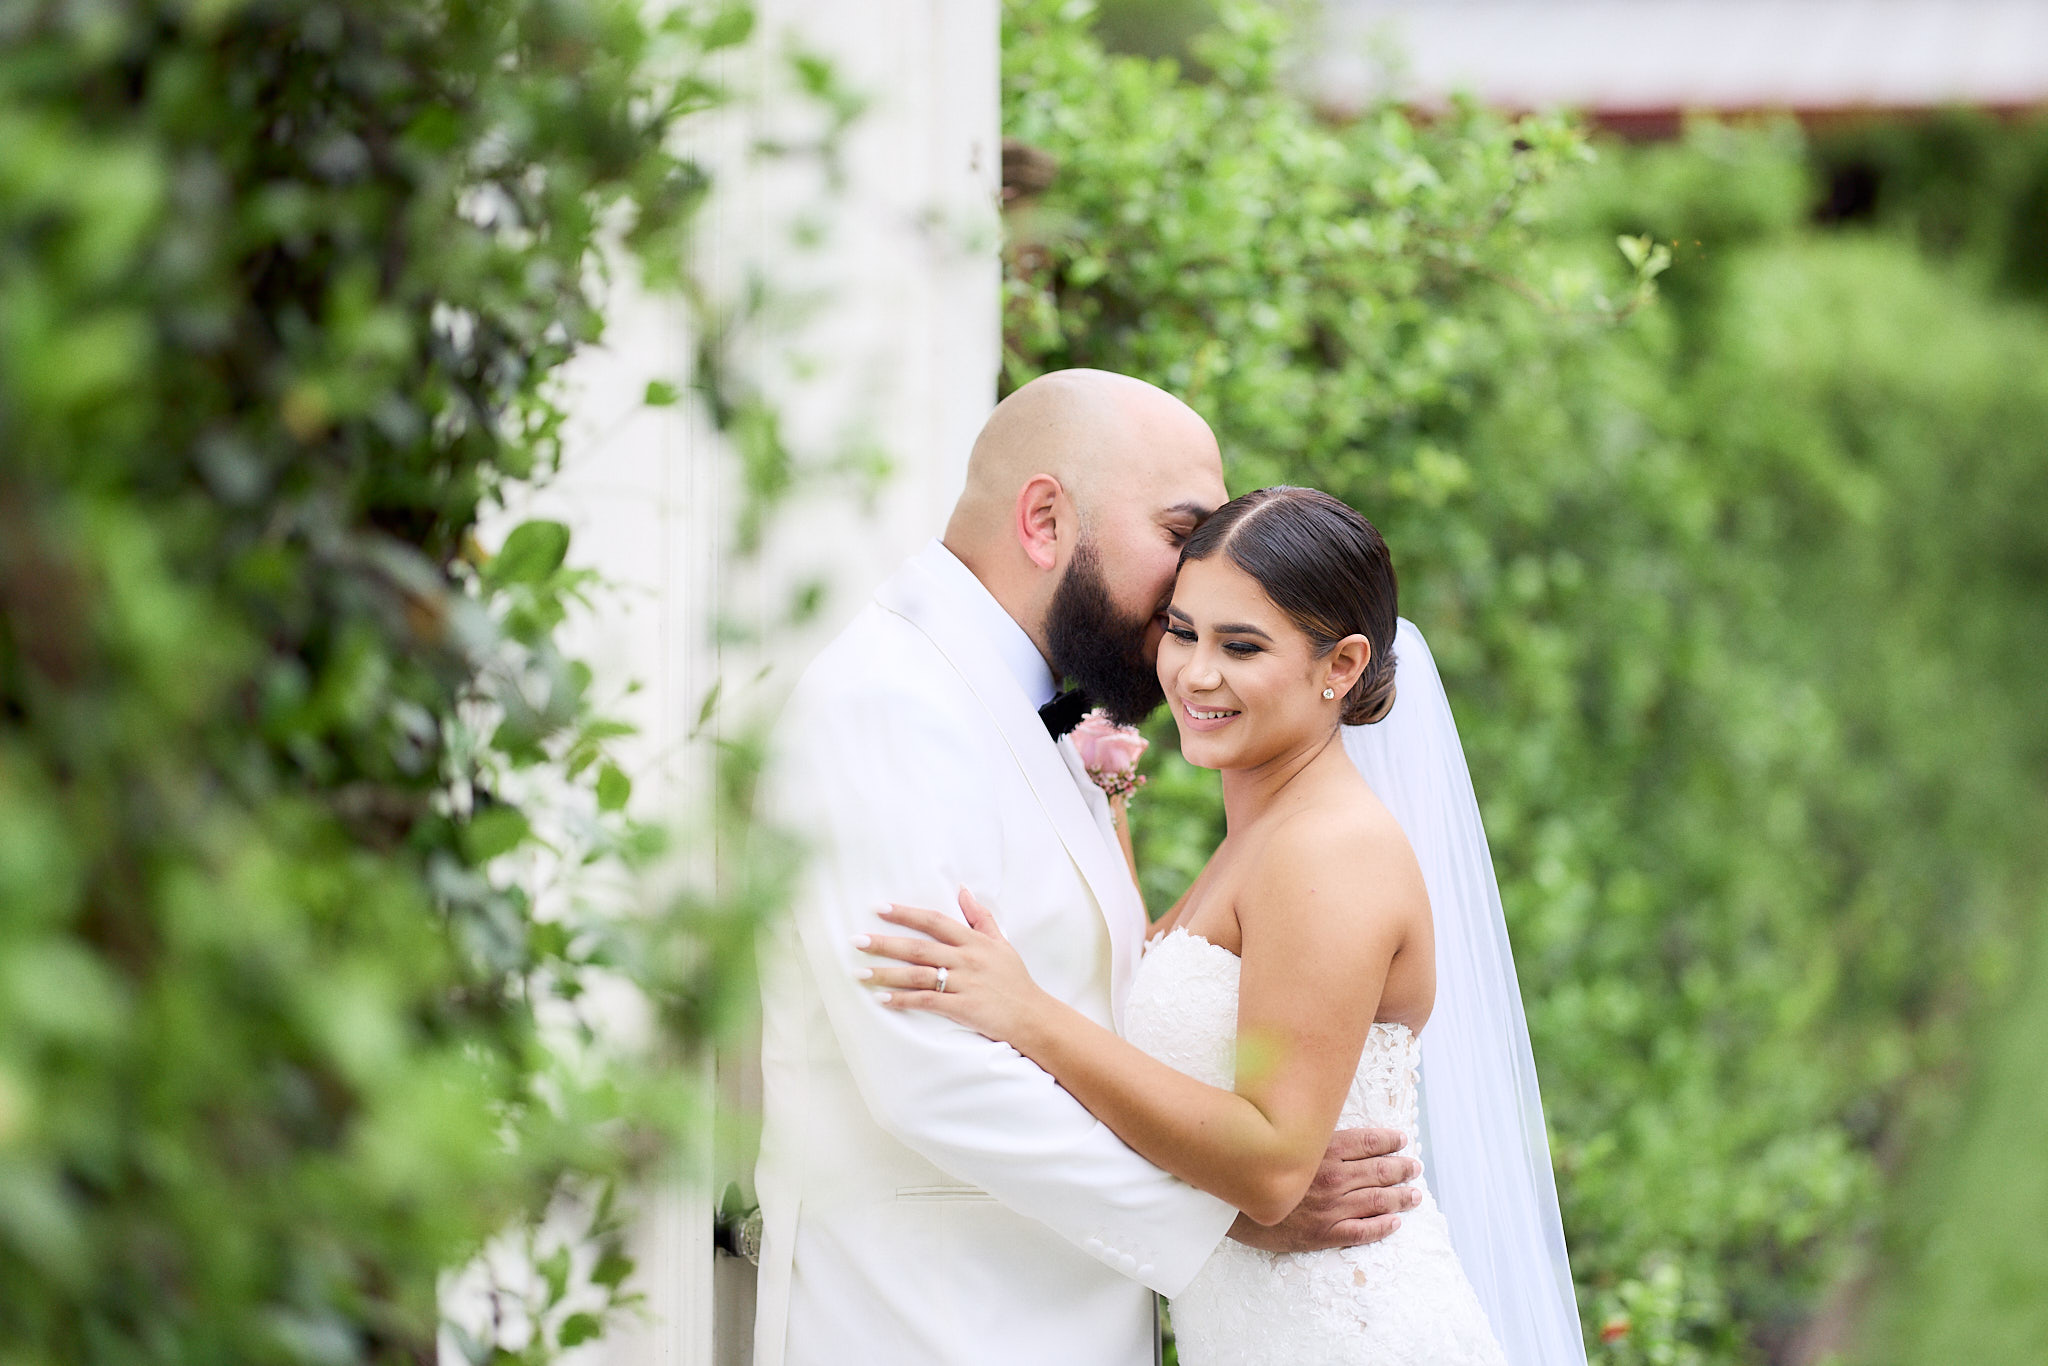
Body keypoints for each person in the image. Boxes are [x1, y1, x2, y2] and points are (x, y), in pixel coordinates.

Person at [752, 375, 1420, 1366]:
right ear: (1044, 519)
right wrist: (1221, 1213)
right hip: (929, 1326)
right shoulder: (884, 702)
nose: (1198, 579)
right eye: (1180, 532)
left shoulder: (1037, 704)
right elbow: (929, 1076)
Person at [859, 487, 1568, 1364]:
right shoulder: (1264, 835)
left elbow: (1272, 1164)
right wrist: (1098, 796)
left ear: (1339, 666)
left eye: (1241, 646)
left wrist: (1025, 1014)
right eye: (1182, 630)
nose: (1195, 672)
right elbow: (1172, 1015)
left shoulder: (1328, 852)